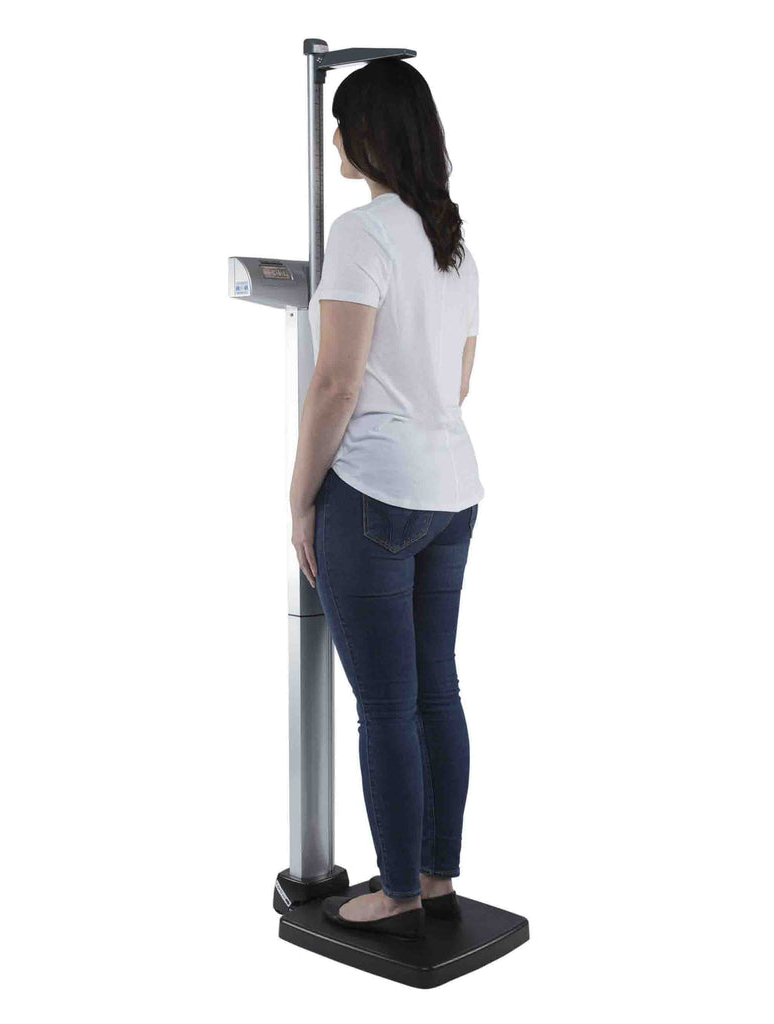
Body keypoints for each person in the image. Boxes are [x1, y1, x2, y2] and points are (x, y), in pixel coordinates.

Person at [288, 57, 482, 942]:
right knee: (436, 690)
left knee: (387, 706)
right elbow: (460, 381)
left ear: (366, 135)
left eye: (342, 122)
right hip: (452, 492)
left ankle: (397, 889)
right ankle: (435, 876)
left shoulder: (363, 233)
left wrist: (299, 498)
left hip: (372, 493)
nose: (332, 138)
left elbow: (334, 382)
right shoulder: (455, 247)